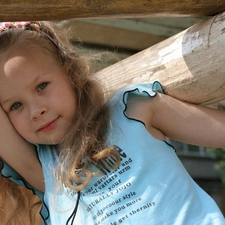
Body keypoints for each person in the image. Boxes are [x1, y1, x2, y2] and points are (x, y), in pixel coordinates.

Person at [0, 21, 224, 225]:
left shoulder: (132, 109)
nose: (36, 111)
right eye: (15, 106)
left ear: (70, 74)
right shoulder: (44, 170)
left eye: (42, 86)